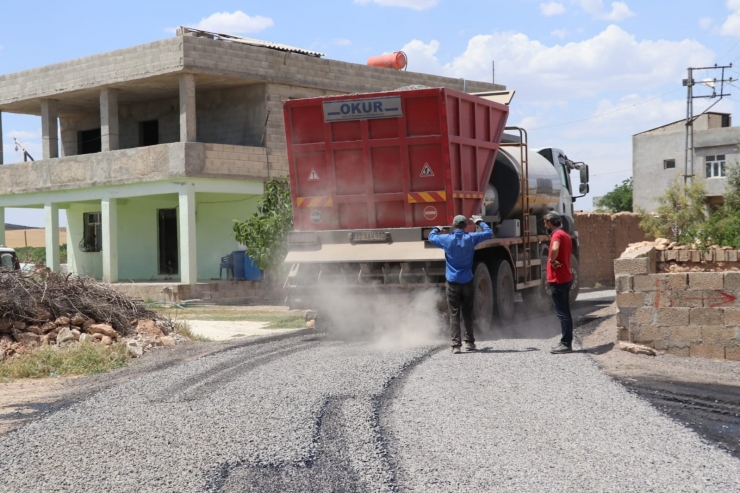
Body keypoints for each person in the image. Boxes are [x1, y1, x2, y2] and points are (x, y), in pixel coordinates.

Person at [428, 215, 493, 354]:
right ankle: (470, 342)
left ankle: (456, 345)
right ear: (465, 226)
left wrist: (436, 228)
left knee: (454, 314)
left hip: (452, 282)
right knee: (467, 312)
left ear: (454, 225)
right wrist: (479, 221)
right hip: (467, 281)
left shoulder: (446, 239)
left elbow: (431, 237)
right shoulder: (471, 238)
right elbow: (488, 233)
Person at [543, 211, 574, 354]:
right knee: (566, 312)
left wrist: (552, 260)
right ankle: (567, 342)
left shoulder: (557, 235)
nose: (545, 225)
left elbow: (555, 248)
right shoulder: (566, 235)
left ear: (549, 223)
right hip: (565, 277)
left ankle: (565, 344)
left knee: (562, 313)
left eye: (545, 223)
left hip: (558, 279)